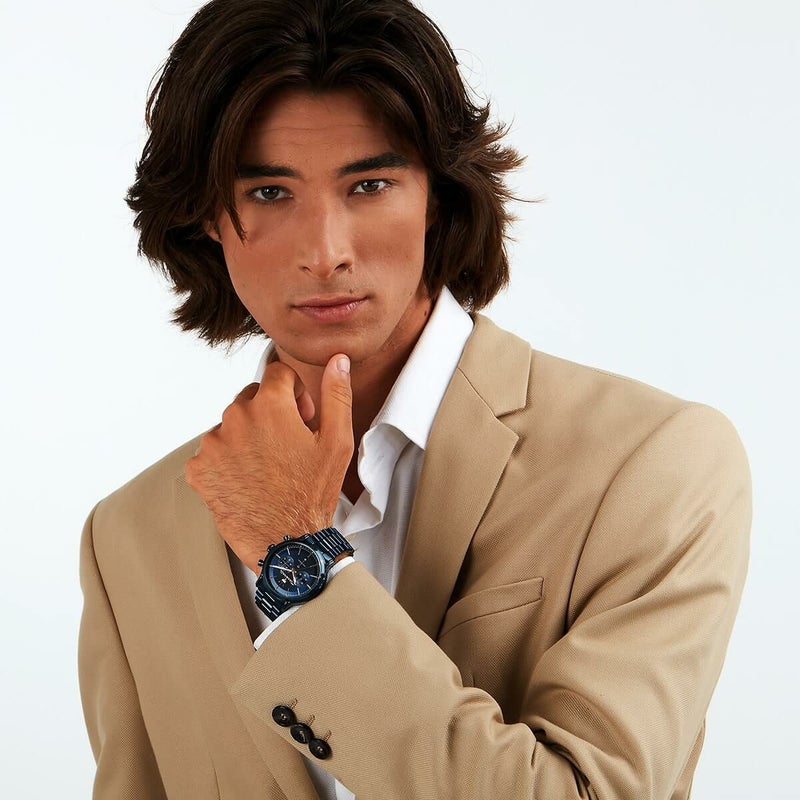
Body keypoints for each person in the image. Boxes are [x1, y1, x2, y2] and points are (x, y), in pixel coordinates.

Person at [77, 0, 751, 798]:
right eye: (269, 193)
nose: (325, 252)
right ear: (205, 220)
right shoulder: (130, 538)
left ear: (440, 197)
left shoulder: (652, 464)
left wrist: (296, 556)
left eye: (369, 184)